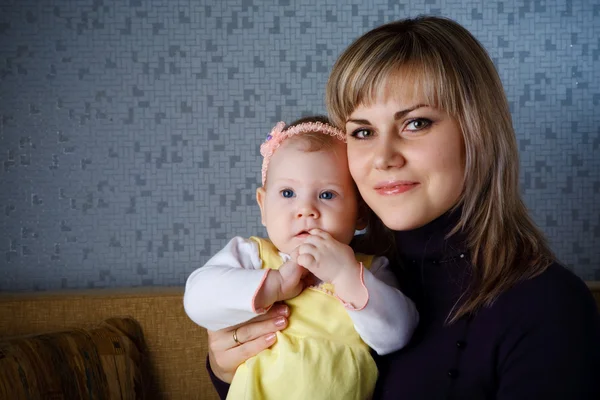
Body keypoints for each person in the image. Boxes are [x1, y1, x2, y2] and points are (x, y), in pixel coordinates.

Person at [203, 15, 600, 399]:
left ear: (477, 132)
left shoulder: (550, 309)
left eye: (416, 123)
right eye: (363, 131)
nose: (383, 156)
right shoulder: (308, 267)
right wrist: (228, 370)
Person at [184, 116, 419, 399]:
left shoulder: (367, 270)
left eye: (327, 194)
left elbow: (397, 335)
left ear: (359, 213)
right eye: (287, 193)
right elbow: (197, 299)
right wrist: (275, 285)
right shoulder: (253, 256)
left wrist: (345, 276)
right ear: (263, 205)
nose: (306, 210)